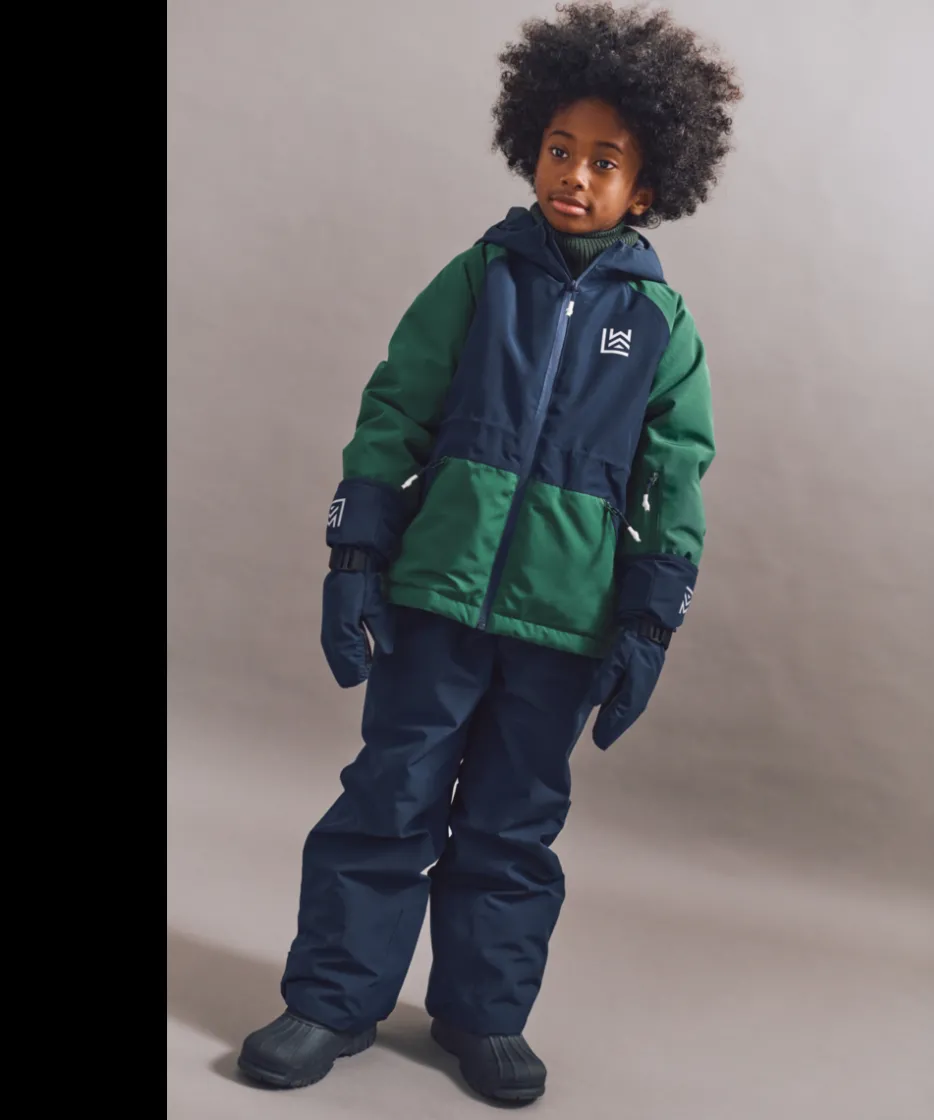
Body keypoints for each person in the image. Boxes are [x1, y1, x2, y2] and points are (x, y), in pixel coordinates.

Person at [237, 1, 741, 1104]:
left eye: (603, 160)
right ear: (530, 148)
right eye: (559, 148)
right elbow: (394, 411)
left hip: (564, 624)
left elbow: (674, 482)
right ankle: (332, 1000)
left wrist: (649, 622)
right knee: (390, 797)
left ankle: (483, 1014)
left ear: (646, 187)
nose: (574, 174)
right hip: (436, 601)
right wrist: (355, 557)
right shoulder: (479, 279)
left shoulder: (662, 328)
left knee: (513, 826)